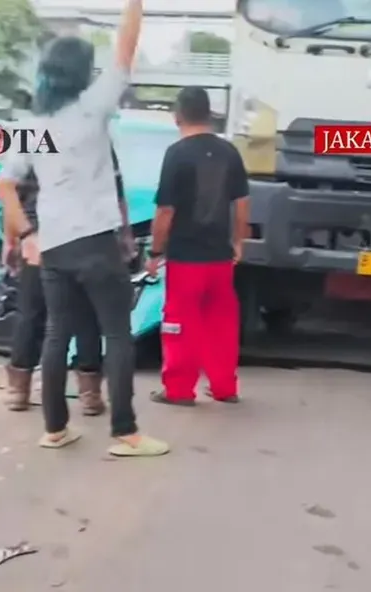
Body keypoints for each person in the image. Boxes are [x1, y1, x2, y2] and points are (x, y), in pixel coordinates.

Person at [0, 0, 168, 456]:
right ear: (81, 72)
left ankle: (55, 428)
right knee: (116, 333)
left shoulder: (32, 126)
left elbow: (5, 185)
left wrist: (27, 236)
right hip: (95, 241)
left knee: (57, 333)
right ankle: (125, 433)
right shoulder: (93, 108)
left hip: (53, 244)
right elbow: (126, 47)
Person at [2, 145, 134, 415]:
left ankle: (19, 391)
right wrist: (124, 234)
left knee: (33, 313)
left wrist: (12, 239)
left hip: (40, 237)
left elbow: (12, 196)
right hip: (87, 239)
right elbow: (115, 195)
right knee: (85, 314)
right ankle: (90, 394)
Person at [145, 86, 250, 405]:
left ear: (178, 116)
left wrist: (155, 251)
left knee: (180, 322)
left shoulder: (177, 153)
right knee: (221, 323)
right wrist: (238, 242)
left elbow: (165, 210)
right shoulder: (229, 152)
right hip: (220, 256)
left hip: (186, 258)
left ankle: (178, 390)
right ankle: (224, 387)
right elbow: (242, 202)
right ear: (209, 114)